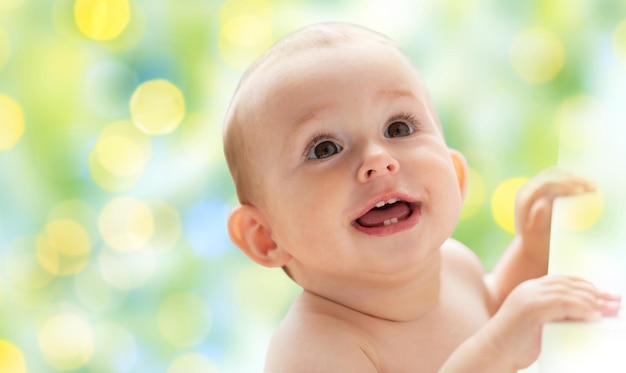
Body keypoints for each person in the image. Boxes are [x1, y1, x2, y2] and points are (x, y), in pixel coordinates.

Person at [222, 21, 621, 372]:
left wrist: (534, 248)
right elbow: (501, 339)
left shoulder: (455, 262)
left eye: (398, 128)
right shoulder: (315, 348)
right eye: (325, 149)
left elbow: (496, 310)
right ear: (265, 236)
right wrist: (497, 348)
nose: (379, 160)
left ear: (456, 176)